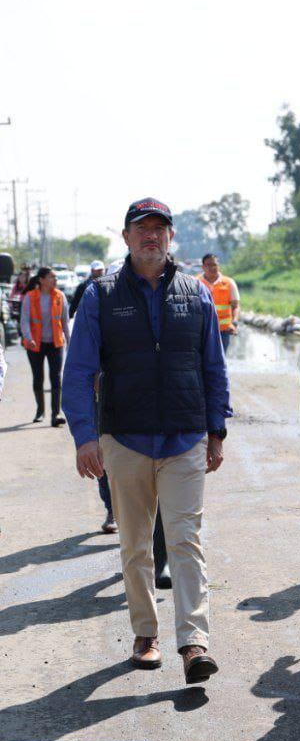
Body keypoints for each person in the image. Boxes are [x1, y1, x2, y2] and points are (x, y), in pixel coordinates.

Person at [63, 198, 230, 683]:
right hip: (125, 439)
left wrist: (216, 430)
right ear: (127, 237)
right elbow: (78, 372)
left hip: (185, 437)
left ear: (171, 237)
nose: (151, 236)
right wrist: (84, 437)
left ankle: (194, 641)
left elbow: (213, 367)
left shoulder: (195, 292)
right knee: (136, 545)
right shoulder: (101, 295)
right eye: (142, 229)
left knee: (185, 541)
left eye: (160, 228)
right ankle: (145, 633)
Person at [20, 266, 70, 425]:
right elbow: (24, 320)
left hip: (55, 343)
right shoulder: (30, 297)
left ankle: (56, 414)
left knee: (56, 378)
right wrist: (28, 338)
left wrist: (70, 343)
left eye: (55, 277)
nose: (55, 280)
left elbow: (65, 322)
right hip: (35, 344)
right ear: (41, 280)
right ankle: (40, 410)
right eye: (51, 277)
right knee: (38, 378)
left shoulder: (60, 296)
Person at [197, 253, 240, 354]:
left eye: (214, 265)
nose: (212, 267)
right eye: (208, 265)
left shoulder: (229, 283)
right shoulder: (196, 282)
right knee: (201, 360)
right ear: (203, 267)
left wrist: (234, 323)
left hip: (223, 331)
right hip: (201, 330)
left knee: (220, 359)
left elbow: (235, 306)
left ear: (218, 266)